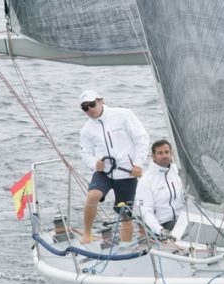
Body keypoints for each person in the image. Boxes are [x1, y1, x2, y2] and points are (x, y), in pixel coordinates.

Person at [78, 89, 150, 243]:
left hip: (127, 173)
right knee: (92, 196)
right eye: (85, 107)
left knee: (124, 213)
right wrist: (93, 163)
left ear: (101, 100)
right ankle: (86, 234)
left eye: (91, 104)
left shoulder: (124, 115)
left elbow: (142, 138)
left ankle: (125, 245)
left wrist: (138, 164)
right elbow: (85, 153)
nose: (89, 109)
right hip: (104, 172)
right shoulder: (86, 130)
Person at [136, 139, 185, 237]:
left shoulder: (176, 172)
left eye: (167, 152)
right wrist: (160, 230)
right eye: (160, 153)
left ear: (171, 154)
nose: (164, 156)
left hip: (181, 220)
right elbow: (145, 212)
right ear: (153, 156)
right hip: (162, 225)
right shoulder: (145, 181)